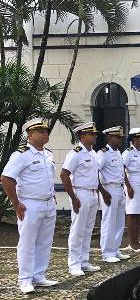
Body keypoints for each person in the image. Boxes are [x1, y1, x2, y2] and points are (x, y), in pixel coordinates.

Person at [1, 118, 59, 293]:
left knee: (44, 242)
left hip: (48, 204)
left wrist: (53, 196)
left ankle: (39, 275)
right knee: (27, 242)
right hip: (29, 204)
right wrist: (16, 203)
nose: (45, 134)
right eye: (41, 131)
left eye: (46, 131)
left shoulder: (48, 154)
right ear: (30, 133)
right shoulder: (21, 155)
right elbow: (6, 178)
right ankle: (25, 279)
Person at [61, 122, 101, 276]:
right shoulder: (75, 153)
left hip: (92, 193)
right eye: (92, 134)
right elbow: (64, 175)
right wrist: (73, 197)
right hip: (81, 193)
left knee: (88, 229)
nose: (95, 136)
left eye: (95, 134)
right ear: (83, 135)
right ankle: (74, 264)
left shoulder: (93, 153)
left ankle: (84, 261)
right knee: (77, 230)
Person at [97, 126, 131, 263]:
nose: (120, 140)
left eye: (121, 138)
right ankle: (107, 252)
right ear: (109, 137)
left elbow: (122, 172)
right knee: (108, 222)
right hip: (109, 189)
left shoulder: (117, 153)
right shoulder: (103, 153)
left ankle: (115, 249)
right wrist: (103, 191)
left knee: (119, 222)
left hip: (119, 189)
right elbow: (95, 172)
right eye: (118, 137)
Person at [122, 127, 140, 253]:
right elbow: (121, 169)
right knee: (132, 214)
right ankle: (132, 243)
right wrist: (128, 186)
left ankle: (137, 241)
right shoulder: (128, 153)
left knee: (139, 214)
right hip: (133, 186)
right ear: (134, 139)